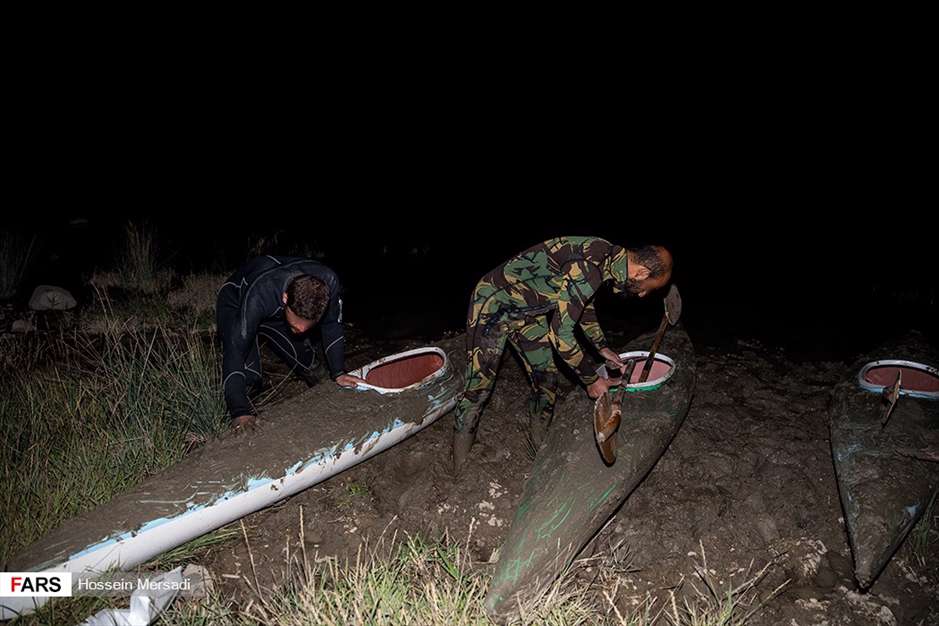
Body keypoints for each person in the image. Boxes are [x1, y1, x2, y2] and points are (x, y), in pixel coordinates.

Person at [452, 236, 673, 472]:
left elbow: (582, 305)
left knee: (546, 380)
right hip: (494, 305)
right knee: (479, 389)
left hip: (529, 311)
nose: (642, 295)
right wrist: (591, 379)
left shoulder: (607, 258)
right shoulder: (591, 266)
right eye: (648, 288)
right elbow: (561, 335)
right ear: (641, 272)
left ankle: (537, 449)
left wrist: (601, 346)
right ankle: (460, 465)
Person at [216, 255, 366, 429]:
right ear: (286, 298)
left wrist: (339, 372)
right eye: (296, 325)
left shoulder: (329, 283)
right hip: (236, 301)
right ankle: (235, 414)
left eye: (306, 327)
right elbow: (235, 350)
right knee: (250, 375)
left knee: (310, 365)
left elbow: (332, 326)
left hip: (276, 311)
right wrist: (240, 411)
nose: (301, 331)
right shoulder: (261, 293)